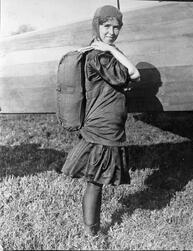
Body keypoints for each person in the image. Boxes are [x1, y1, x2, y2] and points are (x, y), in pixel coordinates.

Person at [61, 5, 140, 236]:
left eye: (117, 28)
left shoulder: (102, 53)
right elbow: (134, 73)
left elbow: (125, 80)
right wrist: (112, 50)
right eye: (107, 26)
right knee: (95, 182)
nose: (112, 32)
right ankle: (91, 234)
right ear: (97, 25)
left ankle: (91, 231)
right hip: (102, 127)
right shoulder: (100, 56)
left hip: (104, 124)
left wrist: (111, 49)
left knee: (95, 180)